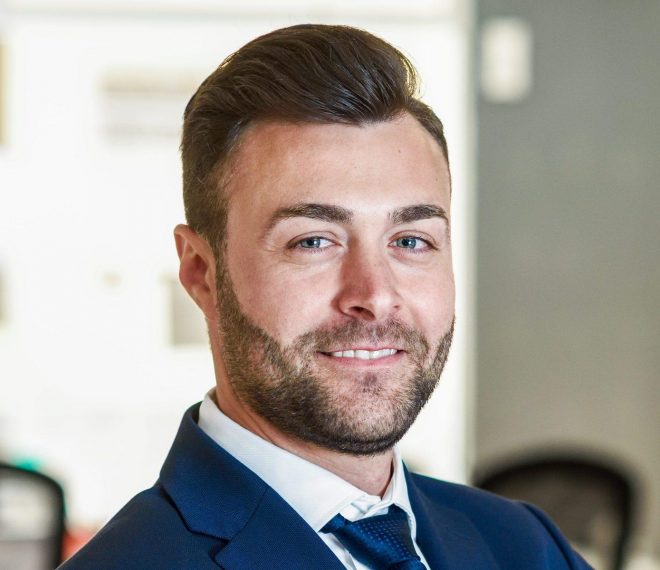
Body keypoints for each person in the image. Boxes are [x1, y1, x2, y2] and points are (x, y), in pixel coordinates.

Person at [60, 24, 591, 570]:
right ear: (201, 272)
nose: (376, 296)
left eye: (411, 240)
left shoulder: (526, 546)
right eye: (313, 241)